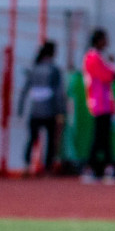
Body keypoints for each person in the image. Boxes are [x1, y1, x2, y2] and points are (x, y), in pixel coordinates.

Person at [19, 40, 65, 175]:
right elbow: (58, 92)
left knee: (32, 138)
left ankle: (27, 165)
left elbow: (25, 90)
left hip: (35, 110)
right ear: (52, 53)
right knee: (51, 140)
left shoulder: (34, 68)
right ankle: (48, 168)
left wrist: (20, 108)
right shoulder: (53, 69)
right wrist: (61, 111)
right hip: (50, 109)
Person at [81, 29, 115, 184]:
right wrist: (111, 64)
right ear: (98, 40)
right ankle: (91, 168)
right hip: (99, 104)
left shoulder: (98, 57)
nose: (107, 42)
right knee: (99, 137)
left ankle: (105, 168)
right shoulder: (92, 58)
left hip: (105, 104)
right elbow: (107, 76)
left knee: (104, 137)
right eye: (105, 39)